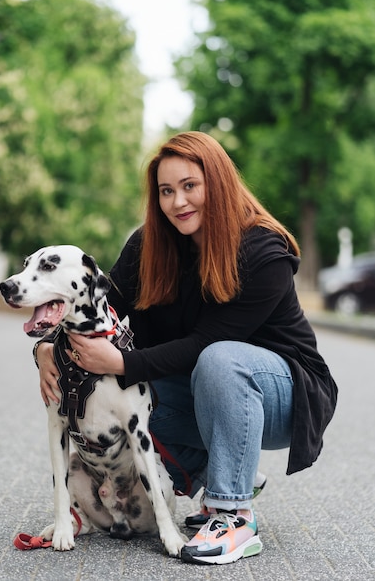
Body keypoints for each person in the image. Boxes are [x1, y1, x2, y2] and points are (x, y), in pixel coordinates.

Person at [37, 131, 338, 566]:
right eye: (166, 191)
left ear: (217, 182)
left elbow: (204, 345)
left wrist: (121, 362)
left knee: (219, 359)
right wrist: (47, 346)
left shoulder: (261, 250)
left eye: (189, 186)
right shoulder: (149, 246)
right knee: (134, 395)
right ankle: (224, 475)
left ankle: (234, 516)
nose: (178, 201)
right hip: (207, 389)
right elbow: (103, 307)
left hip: (285, 396)